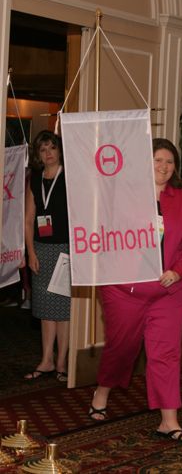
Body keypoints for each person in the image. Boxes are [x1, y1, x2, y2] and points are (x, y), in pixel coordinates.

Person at [89, 138, 182, 443]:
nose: (163, 167)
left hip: (169, 290)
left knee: (166, 353)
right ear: (145, 163)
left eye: (169, 162)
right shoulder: (123, 196)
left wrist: (177, 269)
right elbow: (102, 233)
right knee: (122, 347)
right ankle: (103, 390)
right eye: (157, 160)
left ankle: (169, 420)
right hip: (124, 289)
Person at [24, 130, 70, 383]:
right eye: (43, 149)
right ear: (38, 155)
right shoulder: (35, 178)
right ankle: (46, 360)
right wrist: (30, 251)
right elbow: (29, 219)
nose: (48, 153)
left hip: (67, 249)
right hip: (41, 249)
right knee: (44, 309)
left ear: (60, 150)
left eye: (52, 147)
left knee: (63, 309)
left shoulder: (70, 176)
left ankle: (62, 361)